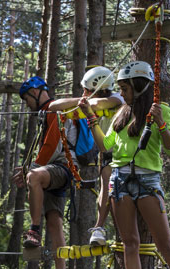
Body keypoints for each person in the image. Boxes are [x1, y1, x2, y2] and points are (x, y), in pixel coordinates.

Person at [78, 61, 170, 269]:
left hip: (147, 181)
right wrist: (90, 117)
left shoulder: (162, 111)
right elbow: (104, 145)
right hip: (120, 181)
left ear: (139, 87)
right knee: (129, 243)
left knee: (164, 243)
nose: (121, 93)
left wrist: (161, 124)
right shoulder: (122, 114)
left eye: (125, 88)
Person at [12, 76, 77, 269]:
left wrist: (31, 171)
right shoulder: (46, 113)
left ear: (36, 92)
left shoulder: (54, 109)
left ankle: (33, 230)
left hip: (61, 168)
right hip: (54, 170)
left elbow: (51, 144)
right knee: (55, 223)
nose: (26, 104)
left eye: (26, 98)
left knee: (35, 177)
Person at [48, 65, 125, 246]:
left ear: (95, 89)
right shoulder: (89, 101)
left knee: (109, 185)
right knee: (106, 184)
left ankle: (103, 227)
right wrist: (82, 100)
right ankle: (99, 227)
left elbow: (99, 104)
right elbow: (53, 106)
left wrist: (85, 102)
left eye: (86, 89)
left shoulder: (118, 98)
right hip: (107, 153)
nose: (83, 92)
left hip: (123, 154)